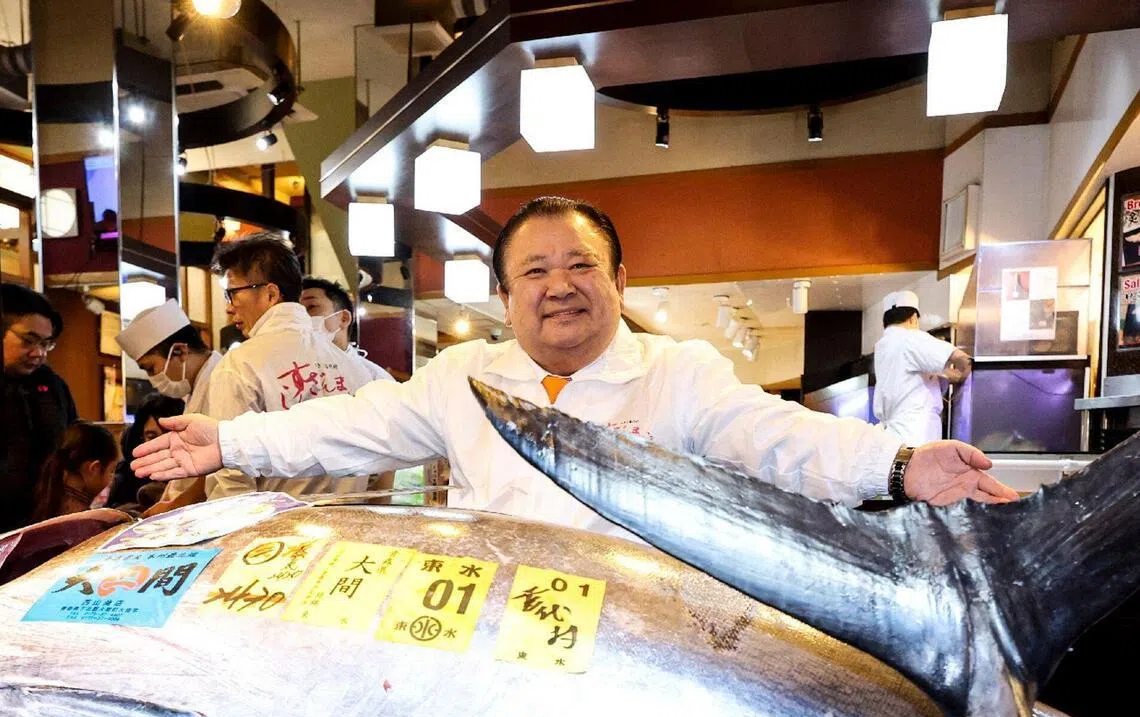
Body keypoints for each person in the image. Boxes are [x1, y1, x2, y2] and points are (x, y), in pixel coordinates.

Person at [133, 196, 1017, 529]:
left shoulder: (679, 371)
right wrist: (229, 440)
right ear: (504, 295)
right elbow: (347, 427)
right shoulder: (464, 376)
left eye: (580, 265)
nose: (559, 287)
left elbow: (780, 437)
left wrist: (902, 465)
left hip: (638, 636)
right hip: (493, 632)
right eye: (534, 272)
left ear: (620, 281)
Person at [203, 233, 377, 500]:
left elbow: (230, 475)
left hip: (277, 525)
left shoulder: (240, 364)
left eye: (232, 294)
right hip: (350, 520)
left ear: (271, 293)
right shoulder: (354, 367)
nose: (228, 308)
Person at [116, 299, 222, 515]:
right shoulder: (196, 387)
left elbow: (223, 461)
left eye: (150, 368)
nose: (152, 378)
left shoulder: (223, 379)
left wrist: (174, 506)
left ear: (180, 352)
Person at [0, 284, 77, 533]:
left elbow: (70, 442)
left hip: (44, 524)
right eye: (28, 341)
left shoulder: (52, 385)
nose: (39, 353)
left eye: (46, 344)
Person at [872, 290, 972, 445]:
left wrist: (948, 376)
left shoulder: (883, 345)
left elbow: (912, 373)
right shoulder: (910, 338)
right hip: (915, 432)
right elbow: (960, 358)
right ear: (913, 318)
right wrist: (966, 375)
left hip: (893, 435)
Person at [300, 276, 395, 382]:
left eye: (311, 307)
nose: (299, 315)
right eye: (296, 310)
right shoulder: (290, 370)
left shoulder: (375, 379)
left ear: (344, 319)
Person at [106, 392, 186, 510]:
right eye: (151, 437)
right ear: (141, 437)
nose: (159, 445)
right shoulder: (126, 475)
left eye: (168, 436)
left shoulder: (192, 473)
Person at [30, 420, 118, 521]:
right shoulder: (84, 523)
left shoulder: (45, 501)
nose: (112, 479)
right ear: (94, 469)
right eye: (111, 470)